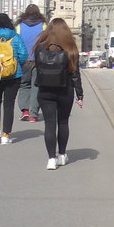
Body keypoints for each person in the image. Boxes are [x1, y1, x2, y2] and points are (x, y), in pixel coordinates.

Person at [33, 17, 84, 170]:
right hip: (65, 90)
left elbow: (37, 67)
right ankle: (62, 155)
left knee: (49, 124)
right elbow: (75, 73)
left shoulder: (40, 47)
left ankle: (51, 159)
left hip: (45, 90)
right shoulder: (70, 48)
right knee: (63, 122)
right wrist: (79, 95)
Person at [0, 12, 29, 145]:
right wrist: (15, 66)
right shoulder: (15, 36)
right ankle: (5, 135)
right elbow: (23, 54)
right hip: (14, 75)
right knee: (9, 104)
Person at [16, 3, 46, 123]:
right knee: (36, 87)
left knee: (24, 85)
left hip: (23, 61)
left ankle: (25, 111)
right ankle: (34, 114)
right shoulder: (43, 25)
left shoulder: (19, 26)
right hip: (38, 61)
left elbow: (16, 42)